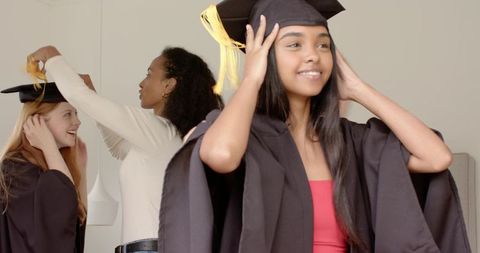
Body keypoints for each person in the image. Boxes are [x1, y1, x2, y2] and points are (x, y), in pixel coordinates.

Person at [157, 0, 471, 252]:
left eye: (323, 45)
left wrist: (359, 88)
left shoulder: (351, 142)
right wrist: (252, 78)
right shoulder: (245, 136)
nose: (313, 56)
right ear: (263, 58)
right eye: (294, 45)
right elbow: (222, 155)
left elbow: (436, 157)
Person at [28, 45, 223, 253]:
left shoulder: (157, 129)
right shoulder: (166, 137)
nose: (141, 83)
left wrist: (51, 55)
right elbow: (118, 146)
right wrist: (91, 95)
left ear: (168, 85)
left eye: (149, 75)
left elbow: (79, 97)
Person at [0, 82, 87, 253]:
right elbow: (55, 232)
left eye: (76, 113)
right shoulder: (16, 169)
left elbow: (73, 229)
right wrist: (48, 144)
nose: (77, 122)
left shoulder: (50, 166)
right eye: (67, 114)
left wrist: (81, 170)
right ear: (37, 121)